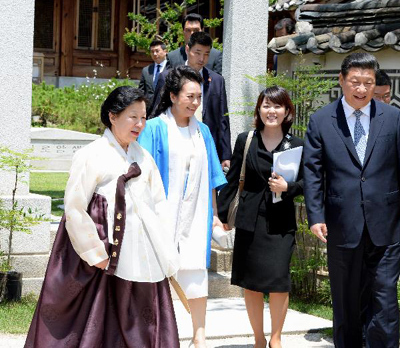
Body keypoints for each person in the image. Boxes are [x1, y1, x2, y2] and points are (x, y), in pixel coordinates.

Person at [26, 86, 180, 347]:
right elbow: (75, 208)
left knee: (142, 324)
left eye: (143, 117)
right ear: (113, 116)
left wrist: (164, 248)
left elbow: (159, 205)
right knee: (96, 322)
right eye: (133, 116)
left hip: (141, 256)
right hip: (101, 254)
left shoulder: (144, 158)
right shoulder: (90, 155)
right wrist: (96, 254)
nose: (140, 124)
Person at [303, 52, 400, 348]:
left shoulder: (392, 117)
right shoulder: (321, 120)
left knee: (384, 297)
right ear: (341, 80)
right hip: (342, 223)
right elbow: (313, 173)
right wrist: (316, 216)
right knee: (346, 298)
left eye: (368, 82)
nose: (362, 89)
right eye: (355, 81)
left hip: (386, 222)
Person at [138, 66, 227, 348]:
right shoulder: (154, 128)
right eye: (190, 96)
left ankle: (199, 336)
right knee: (155, 275)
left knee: (195, 272)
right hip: (160, 214)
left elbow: (212, 176)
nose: (195, 102)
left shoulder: (203, 131)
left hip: (196, 214)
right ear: (173, 96)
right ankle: (154, 336)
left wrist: (214, 215)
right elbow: (141, 174)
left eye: (199, 97)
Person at [217, 86, 303, 348]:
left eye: (277, 106)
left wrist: (288, 187)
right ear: (259, 109)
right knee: (251, 282)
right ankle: (258, 339)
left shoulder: (297, 144)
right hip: (249, 220)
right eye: (266, 105)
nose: (271, 111)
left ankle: (276, 339)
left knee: (279, 281)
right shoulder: (246, 139)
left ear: (287, 111)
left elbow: (311, 182)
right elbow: (233, 179)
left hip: (281, 222)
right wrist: (222, 214)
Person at [177, 31, 232, 170]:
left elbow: (223, 118)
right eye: (198, 53)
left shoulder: (217, 80)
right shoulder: (171, 77)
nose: (202, 58)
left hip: (206, 145)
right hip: (177, 142)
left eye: (206, 54)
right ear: (187, 49)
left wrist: (226, 155)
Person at [139, 39, 169, 114]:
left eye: (157, 51)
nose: (155, 54)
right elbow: (141, 91)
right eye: (152, 52)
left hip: (166, 108)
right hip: (149, 110)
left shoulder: (171, 68)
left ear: (165, 51)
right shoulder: (146, 70)